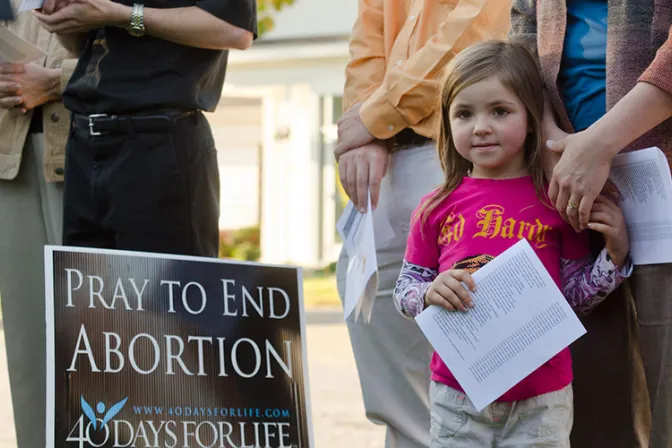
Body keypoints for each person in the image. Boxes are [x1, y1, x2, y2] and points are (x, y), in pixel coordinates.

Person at [393, 40, 631, 447]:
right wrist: (429, 293)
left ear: (531, 118)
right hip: (456, 395)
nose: (480, 126)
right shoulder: (435, 207)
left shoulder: (556, 200)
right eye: (464, 113)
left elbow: (572, 298)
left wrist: (614, 256)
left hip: (543, 400)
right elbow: (404, 292)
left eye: (500, 111)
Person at [335, 1, 513, 446]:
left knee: (477, 337)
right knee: (372, 313)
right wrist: (369, 132)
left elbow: (468, 41)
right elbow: (366, 48)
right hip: (391, 156)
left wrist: (374, 119)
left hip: (465, 152)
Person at [510, 2, 672, 446]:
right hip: (572, 197)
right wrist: (552, 148)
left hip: (663, 187)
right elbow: (522, 33)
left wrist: (599, 144)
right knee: (593, 404)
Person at [33, 0, 256, 257]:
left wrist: (125, 16)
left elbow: (235, 31)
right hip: (84, 141)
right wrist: (63, 18)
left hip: (159, 145)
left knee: (160, 293)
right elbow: (81, 47)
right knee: (86, 293)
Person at [0, 2, 77, 447]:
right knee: (28, 348)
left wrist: (55, 79)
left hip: (89, 153)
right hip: (10, 157)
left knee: (94, 339)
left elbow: (136, 55)